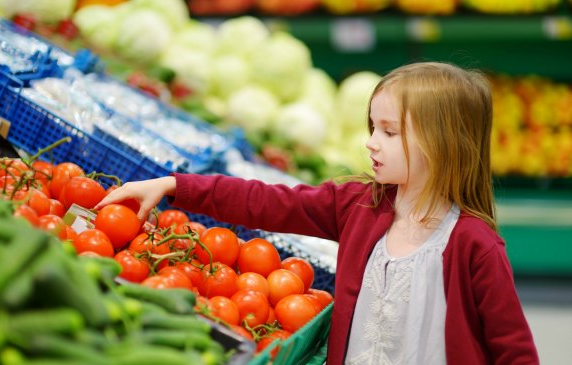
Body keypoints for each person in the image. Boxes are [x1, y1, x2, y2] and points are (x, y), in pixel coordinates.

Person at [95, 61, 538, 364]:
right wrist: (177, 185)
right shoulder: (358, 207)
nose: (371, 142)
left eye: (388, 131)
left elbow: (513, 348)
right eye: (371, 128)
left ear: (444, 144)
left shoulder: (473, 244)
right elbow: (268, 202)